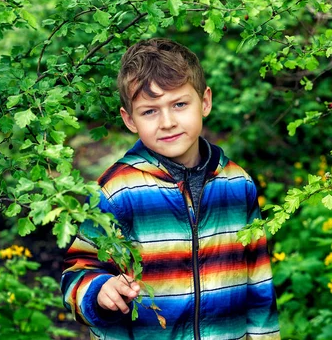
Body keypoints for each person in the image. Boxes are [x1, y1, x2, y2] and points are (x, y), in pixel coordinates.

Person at [61, 38, 280, 339]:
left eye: (179, 104)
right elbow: (77, 271)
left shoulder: (237, 184)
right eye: (150, 111)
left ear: (204, 102)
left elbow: (259, 282)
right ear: (129, 119)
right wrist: (99, 290)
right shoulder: (117, 191)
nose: (167, 122)